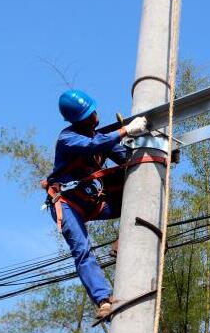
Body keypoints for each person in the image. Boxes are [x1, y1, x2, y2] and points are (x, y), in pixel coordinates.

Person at [44, 89, 148, 319]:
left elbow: (127, 160)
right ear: (79, 119)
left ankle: (125, 239)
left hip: (95, 199)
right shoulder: (68, 139)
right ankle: (103, 300)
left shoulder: (101, 138)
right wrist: (125, 130)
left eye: (94, 112)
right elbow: (93, 146)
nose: (96, 117)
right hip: (69, 203)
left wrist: (152, 153)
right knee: (82, 250)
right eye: (90, 115)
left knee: (138, 187)